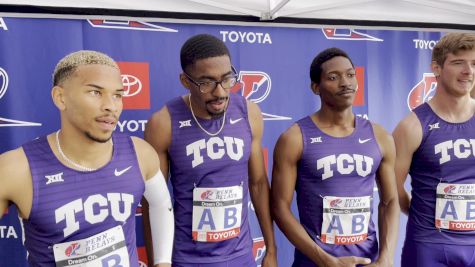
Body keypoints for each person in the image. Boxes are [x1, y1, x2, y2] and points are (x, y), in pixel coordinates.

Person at [0, 50, 174, 267]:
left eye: (117, 95)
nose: (111, 105)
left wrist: (163, 262)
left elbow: (161, 205)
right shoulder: (16, 168)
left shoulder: (140, 154)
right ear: (60, 98)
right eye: (95, 92)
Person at [144, 34, 277, 267]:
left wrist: (271, 249)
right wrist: (158, 262)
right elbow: (154, 202)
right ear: (186, 81)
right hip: (188, 258)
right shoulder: (163, 123)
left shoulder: (249, 113)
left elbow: (257, 183)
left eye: (227, 79)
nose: (220, 92)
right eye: (207, 83)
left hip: (241, 256)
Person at [272, 47, 399, 267]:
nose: (345, 83)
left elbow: (389, 202)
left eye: (350, 75)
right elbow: (280, 208)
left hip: (367, 261)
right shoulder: (294, 138)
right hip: (315, 263)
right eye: (333, 77)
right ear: (315, 88)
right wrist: (325, 260)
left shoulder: (379, 136)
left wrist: (386, 258)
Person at [393, 33, 475, 266]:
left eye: (474, 64)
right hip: (430, 245)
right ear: (436, 68)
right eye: (458, 62)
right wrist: (416, 210)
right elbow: (391, 187)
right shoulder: (412, 126)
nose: (468, 71)